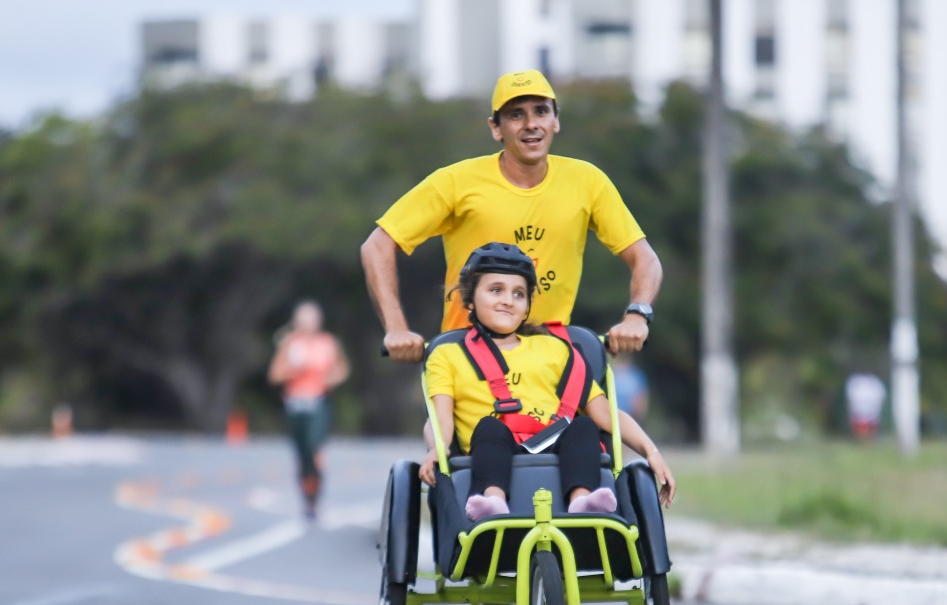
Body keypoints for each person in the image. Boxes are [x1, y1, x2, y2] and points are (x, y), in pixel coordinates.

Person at [421, 243, 675, 605]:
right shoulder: (448, 354)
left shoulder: (555, 350)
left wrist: (650, 451)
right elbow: (440, 419)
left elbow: (604, 412)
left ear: (528, 303)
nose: (507, 300)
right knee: (489, 427)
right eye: (495, 290)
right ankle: (492, 504)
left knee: (581, 428)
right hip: (489, 452)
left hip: (555, 450)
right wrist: (434, 451)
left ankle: (583, 503)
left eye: (518, 293)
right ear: (470, 298)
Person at [361, 68, 663, 363]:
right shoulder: (455, 182)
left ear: (556, 121)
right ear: (496, 128)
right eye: (516, 115)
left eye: (541, 111)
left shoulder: (588, 182)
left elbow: (645, 259)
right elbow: (377, 245)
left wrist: (637, 316)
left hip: (550, 364)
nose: (531, 124)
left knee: (618, 417)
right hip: (468, 363)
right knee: (438, 418)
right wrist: (396, 328)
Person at [267, 301, 349, 520]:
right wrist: (295, 369)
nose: (307, 324)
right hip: (295, 404)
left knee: (315, 449)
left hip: (319, 403)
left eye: (311, 319)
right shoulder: (290, 343)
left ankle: (316, 496)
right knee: (301, 454)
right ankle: (306, 496)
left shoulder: (328, 342)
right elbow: (275, 374)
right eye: (303, 320)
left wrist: (331, 379)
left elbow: (341, 369)